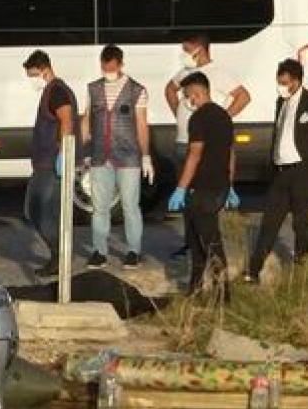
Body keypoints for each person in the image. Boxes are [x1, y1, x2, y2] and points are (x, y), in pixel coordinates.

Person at [243, 58, 308, 283]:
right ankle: (253, 271)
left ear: (296, 81)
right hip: (281, 173)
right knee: (269, 222)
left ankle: (301, 268)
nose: (281, 86)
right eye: (279, 82)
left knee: (300, 222)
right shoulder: (280, 103)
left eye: (285, 82)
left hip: (303, 171)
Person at [164, 33, 250, 258]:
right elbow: (169, 89)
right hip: (183, 141)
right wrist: (179, 114)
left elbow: (243, 96)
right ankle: (190, 242)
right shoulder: (185, 73)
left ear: (199, 49)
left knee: (202, 197)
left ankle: (207, 245)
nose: (183, 54)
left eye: (186, 49)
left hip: (202, 146)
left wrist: (223, 117)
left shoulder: (218, 73)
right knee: (187, 203)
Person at [80, 45, 152, 270]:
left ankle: (133, 251)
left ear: (120, 65)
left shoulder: (137, 90)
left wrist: (146, 155)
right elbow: (86, 120)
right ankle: (99, 251)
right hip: (101, 156)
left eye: (111, 68)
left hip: (129, 157)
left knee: (130, 205)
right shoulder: (92, 89)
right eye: (104, 68)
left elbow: (141, 124)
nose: (107, 72)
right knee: (99, 207)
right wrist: (84, 152)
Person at [167, 71, 234, 300]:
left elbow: (194, 154)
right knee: (199, 241)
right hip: (219, 186)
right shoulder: (224, 116)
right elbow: (231, 153)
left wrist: (181, 187)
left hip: (201, 188)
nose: (188, 101)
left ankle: (222, 294)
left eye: (188, 96)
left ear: (198, 93)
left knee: (207, 243)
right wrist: (230, 184)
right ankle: (194, 291)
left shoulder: (198, 119)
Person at [21, 50, 79, 279]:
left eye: (33, 75)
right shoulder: (52, 90)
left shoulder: (57, 91)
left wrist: (63, 153)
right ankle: (58, 257)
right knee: (48, 212)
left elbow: (66, 119)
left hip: (50, 163)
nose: (32, 80)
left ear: (43, 69)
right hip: (44, 162)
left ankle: (60, 253)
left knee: (36, 210)